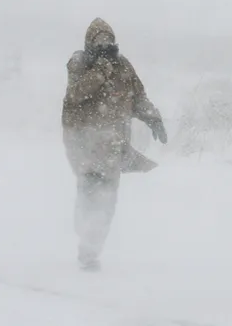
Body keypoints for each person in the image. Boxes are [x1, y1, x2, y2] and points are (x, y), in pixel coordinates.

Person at [61, 17, 168, 271]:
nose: (104, 45)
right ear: (89, 42)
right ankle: (85, 236)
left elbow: (138, 97)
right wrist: (101, 69)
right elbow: (75, 95)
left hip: (113, 148)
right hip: (85, 147)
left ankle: (91, 249)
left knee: (107, 201)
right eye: (99, 40)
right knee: (88, 196)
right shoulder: (80, 63)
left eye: (108, 40)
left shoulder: (123, 66)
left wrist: (153, 118)